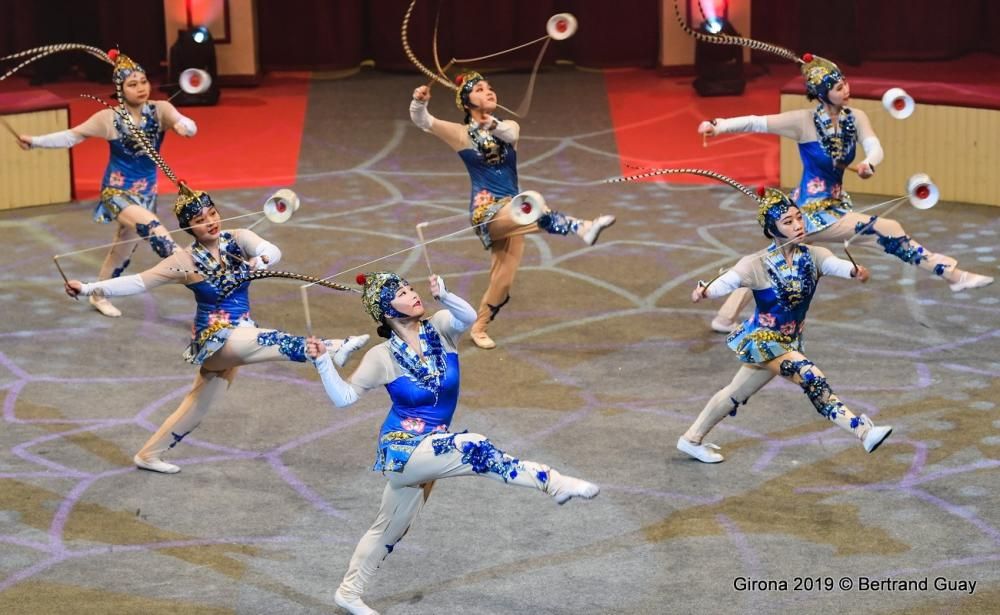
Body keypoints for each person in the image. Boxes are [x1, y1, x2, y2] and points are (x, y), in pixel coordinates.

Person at [306, 271, 599, 614]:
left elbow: (470, 318)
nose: (413, 294)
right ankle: (553, 482)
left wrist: (444, 295)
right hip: (403, 448)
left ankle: (348, 593)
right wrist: (323, 362)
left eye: (411, 288)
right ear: (386, 308)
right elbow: (344, 397)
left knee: (389, 528)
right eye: (401, 292)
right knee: (473, 446)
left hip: (433, 446)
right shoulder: (381, 356)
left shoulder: (441, 327)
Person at [64, 184, 369, 473]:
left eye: (212, 213)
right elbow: (137, 282)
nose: (210, 222)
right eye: (199, 220)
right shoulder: (183, 261)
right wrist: (90, 287)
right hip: (215, 339)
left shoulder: (237, 237)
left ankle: (148, 454)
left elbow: (271, 249)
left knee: (197, 405)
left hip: (242, 330)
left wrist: (260, 259)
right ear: (188, 228)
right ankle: (331, 348)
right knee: (270, 340)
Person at [690, 52, 992, 330]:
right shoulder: (803, 122)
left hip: (833, 207)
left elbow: (874, 146)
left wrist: (869, 164)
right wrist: (718, 126)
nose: (844, 89)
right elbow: (757, 123)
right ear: (821, 93)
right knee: (887, 228)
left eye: (844, 82)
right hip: (807, 211)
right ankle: (952, 274)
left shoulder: (855, 118)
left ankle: (724, 317)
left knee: (771, 260)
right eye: (836, 86)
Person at [678, 186, 893, 463]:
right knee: (811, 377)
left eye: (798, 218)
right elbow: (727, 281)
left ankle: (691, 439)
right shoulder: (756, 263)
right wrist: (704, 291)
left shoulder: (814, 256)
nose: (797, 225)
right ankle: (863, 431)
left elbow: (837, 265)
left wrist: (854, 271)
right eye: (787, 222)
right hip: (764, 340)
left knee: (735, 392)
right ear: (772, 229)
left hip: (789, 341)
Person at [410, 72, 616, 349]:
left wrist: (490, 123)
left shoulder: (507, 126)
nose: (489, 92)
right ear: (467, 101)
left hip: (513, 209)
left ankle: (479, 327)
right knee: (533, 203)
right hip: (487, 212)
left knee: (503, 280)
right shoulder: (460, 135)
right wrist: (419, 101)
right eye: (480, 89)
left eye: (490, 88)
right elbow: (423, 121)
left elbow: (508, 133)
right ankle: (581, 227)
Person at [18, 48, 198, 317]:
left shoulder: (161, 110)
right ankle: (199, 278)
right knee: (155, 231)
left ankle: (98, 294)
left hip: (147, 193)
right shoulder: (109, 119)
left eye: (144, 82)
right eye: (132, 84)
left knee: (122, 250)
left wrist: (185, 126)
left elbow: (186, 124)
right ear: (120, 89)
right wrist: (35, 142)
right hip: (117, 191)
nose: (141, 88)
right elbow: (71, 137)